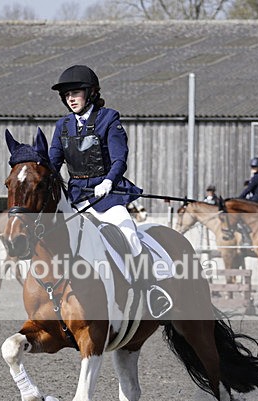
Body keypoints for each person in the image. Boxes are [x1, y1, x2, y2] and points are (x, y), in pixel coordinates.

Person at [48, 64, 171, 317]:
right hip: (77, 198)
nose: (71, 99)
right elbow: (53, 163)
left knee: (128, 233)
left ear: (91, 92)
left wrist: (109, 181)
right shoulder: (62, 126)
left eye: (76, 93)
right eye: (67, 95)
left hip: (107, 195)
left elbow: (119, 159)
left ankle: (151, 291)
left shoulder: (109, 118)